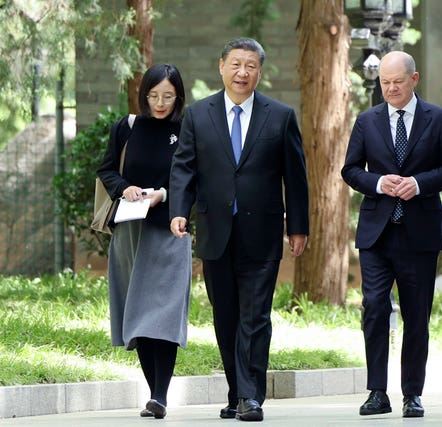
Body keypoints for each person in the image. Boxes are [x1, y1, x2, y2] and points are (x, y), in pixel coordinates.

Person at [169, 38, 309, 422]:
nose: (242, 72)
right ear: (221, 67)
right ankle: (237, 392)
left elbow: (295, 178)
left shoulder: (279, 116)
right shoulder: (198, 115)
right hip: (215, 232)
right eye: (236, 64)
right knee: (226, 317)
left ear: (259, 72)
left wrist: (298, 227)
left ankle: (251, 397)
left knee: (256, 317)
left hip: (262, 235)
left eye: (250, 66)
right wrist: (178, 210)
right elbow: (184, 167)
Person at [341, 51, 442, 418]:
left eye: (397, 82)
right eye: (384, 83)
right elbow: (350, 170)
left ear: (414, 79)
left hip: (419, 235)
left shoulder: (440, 120)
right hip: (377, 234)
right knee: (374, 308)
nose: (390, 89)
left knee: (416, 315)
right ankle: (377, 391)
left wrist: (418, 184)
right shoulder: (367, 121)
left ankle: (413, 392)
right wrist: (378, 182)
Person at [96, 64, 191, 419]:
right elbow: (107, 170)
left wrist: (163, 194)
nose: (160, 103)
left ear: (178, 96)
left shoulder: (185, 130)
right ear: (144, 95)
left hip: (169, 230)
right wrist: (126, 188)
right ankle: (154, 393)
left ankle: (161, 395)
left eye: (168, 96)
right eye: (153, 96)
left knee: (163, 314)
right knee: (136, 314)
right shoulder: (127, 127)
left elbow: (192, 177)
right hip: (130, 231)